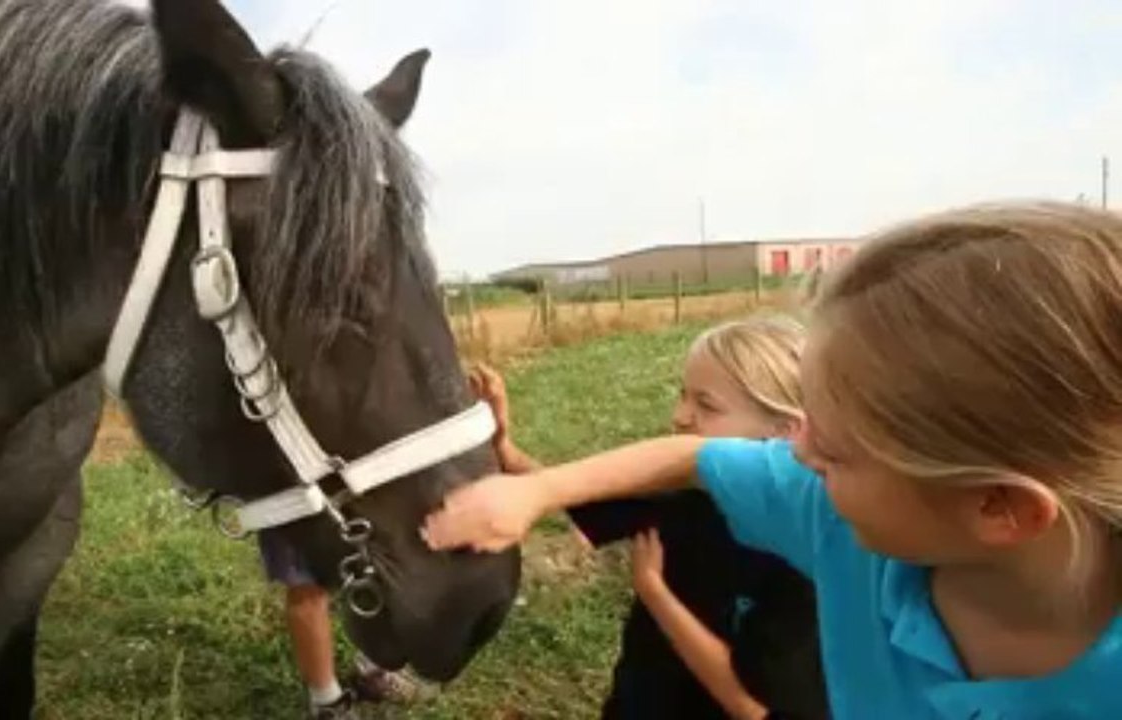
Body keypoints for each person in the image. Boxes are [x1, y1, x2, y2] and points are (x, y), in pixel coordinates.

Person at [426, 201, 1122, 719]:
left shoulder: (832, 543)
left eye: (836, 450)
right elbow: (697, 457)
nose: (798, 451)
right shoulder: (827, 512)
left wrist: (655, 593)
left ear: (999, 507)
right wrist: (535, 489)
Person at [469, 316, 827, 720]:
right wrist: (505, 447)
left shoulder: (806, 557)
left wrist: (655, 593)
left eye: (705, 405)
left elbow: (751, 706)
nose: (680, 415)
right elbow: (576, 493)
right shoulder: (681, 493)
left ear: (784, 431)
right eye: (683, 395)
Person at [257, 533, 427, 719]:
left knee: (370, 560)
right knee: (305, 583)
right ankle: (327, 704)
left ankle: (373, 669)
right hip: (293, 508)